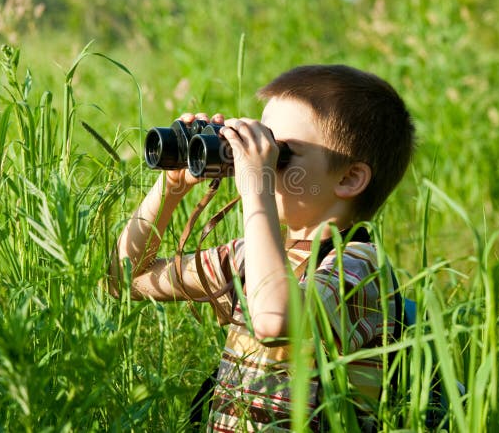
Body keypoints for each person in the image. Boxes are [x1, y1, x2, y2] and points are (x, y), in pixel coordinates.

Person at [108, 64, 415, 431]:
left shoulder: (359, 265)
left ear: (349, 178)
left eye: (280, 153)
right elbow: (127, 280)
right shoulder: (252, 257)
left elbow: (274, 320)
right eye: (259, 145)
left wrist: (257, 189)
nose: (256, 161)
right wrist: (170, 189)